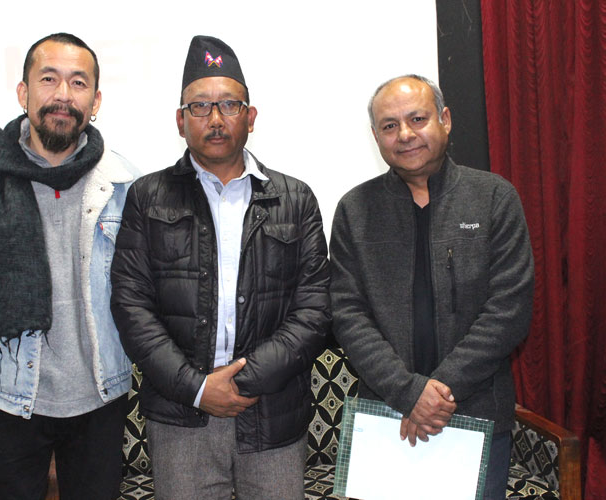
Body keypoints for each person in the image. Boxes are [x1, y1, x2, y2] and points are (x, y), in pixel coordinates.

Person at [0, 33, 141, 500]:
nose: (63, 94)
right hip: (9, 398)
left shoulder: (125, 186)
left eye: (78, 82)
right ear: (23, 92)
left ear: (96, 100)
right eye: (48, 79)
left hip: (100, 398)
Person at [110, 35, 330, 500]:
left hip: (271, 412)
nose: (215, 119)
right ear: (180, 120)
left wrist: (243, 381)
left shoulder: (295, 199)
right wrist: (197, 388)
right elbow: (131, 305)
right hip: (181, 416)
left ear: (251, 117)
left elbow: (314, 309)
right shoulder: (148, 197)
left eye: (229, 105)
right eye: (200, 106)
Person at [330, 74, 534, 500]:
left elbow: (509, 310)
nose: (405, 134)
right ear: (376, 137)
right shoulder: (354, 210)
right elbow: (348, 315)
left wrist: (437, 393)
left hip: (476, 415)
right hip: (386, 418)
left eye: (417, 119)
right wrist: (409, 394)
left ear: (445, 119)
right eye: (389, 126)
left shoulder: (494, 198)